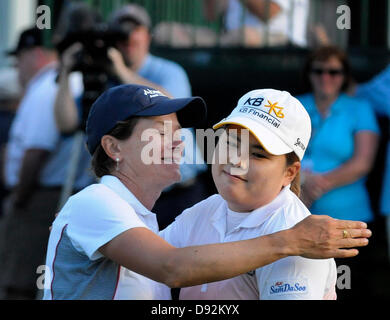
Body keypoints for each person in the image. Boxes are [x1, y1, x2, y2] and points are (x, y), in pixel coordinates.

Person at [43, 84, 370, 300]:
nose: (179, 140)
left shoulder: (127, 215)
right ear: (113, 147)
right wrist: (291, 242)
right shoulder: (99, 204)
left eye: (258, 153)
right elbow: (172, 267)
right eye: (161, 131)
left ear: (290, 172)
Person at [160, 89, 337, 299]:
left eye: (257, 154)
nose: (236, 160)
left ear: (289, 173)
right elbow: (146, 264)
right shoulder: (207, 209)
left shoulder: (296, 239)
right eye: (232, 143)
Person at [55, 3, 209, 229]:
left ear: (149, 36)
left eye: (135, 29)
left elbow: (170, 106)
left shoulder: (168, 70)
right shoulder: (104, 77)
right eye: (121, 31)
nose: (129, 38)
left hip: (179, 193)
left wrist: (121, 71)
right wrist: (66, 73)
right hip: (131, 199)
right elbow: (66, 123)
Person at [0, 27, 93, 300]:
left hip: (41, 198)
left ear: (36, 54)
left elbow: (36, 150)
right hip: (53, 194)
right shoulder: (61, 82)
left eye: (20, 59)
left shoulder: (48, 85)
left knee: (21, 283)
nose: (17, 68)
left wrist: (19, 196)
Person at [297, 45, 380, 299]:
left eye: (334, 72)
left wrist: (315, 184)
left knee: (349, 289)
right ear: (309, 73)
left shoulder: (359, 108)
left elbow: (362, 163)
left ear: (344, 76)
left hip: (348, 216)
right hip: (299, 215)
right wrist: (301, 181)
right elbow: (278, 155)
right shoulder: (296, 105)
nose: (326, 77)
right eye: (319, 70)